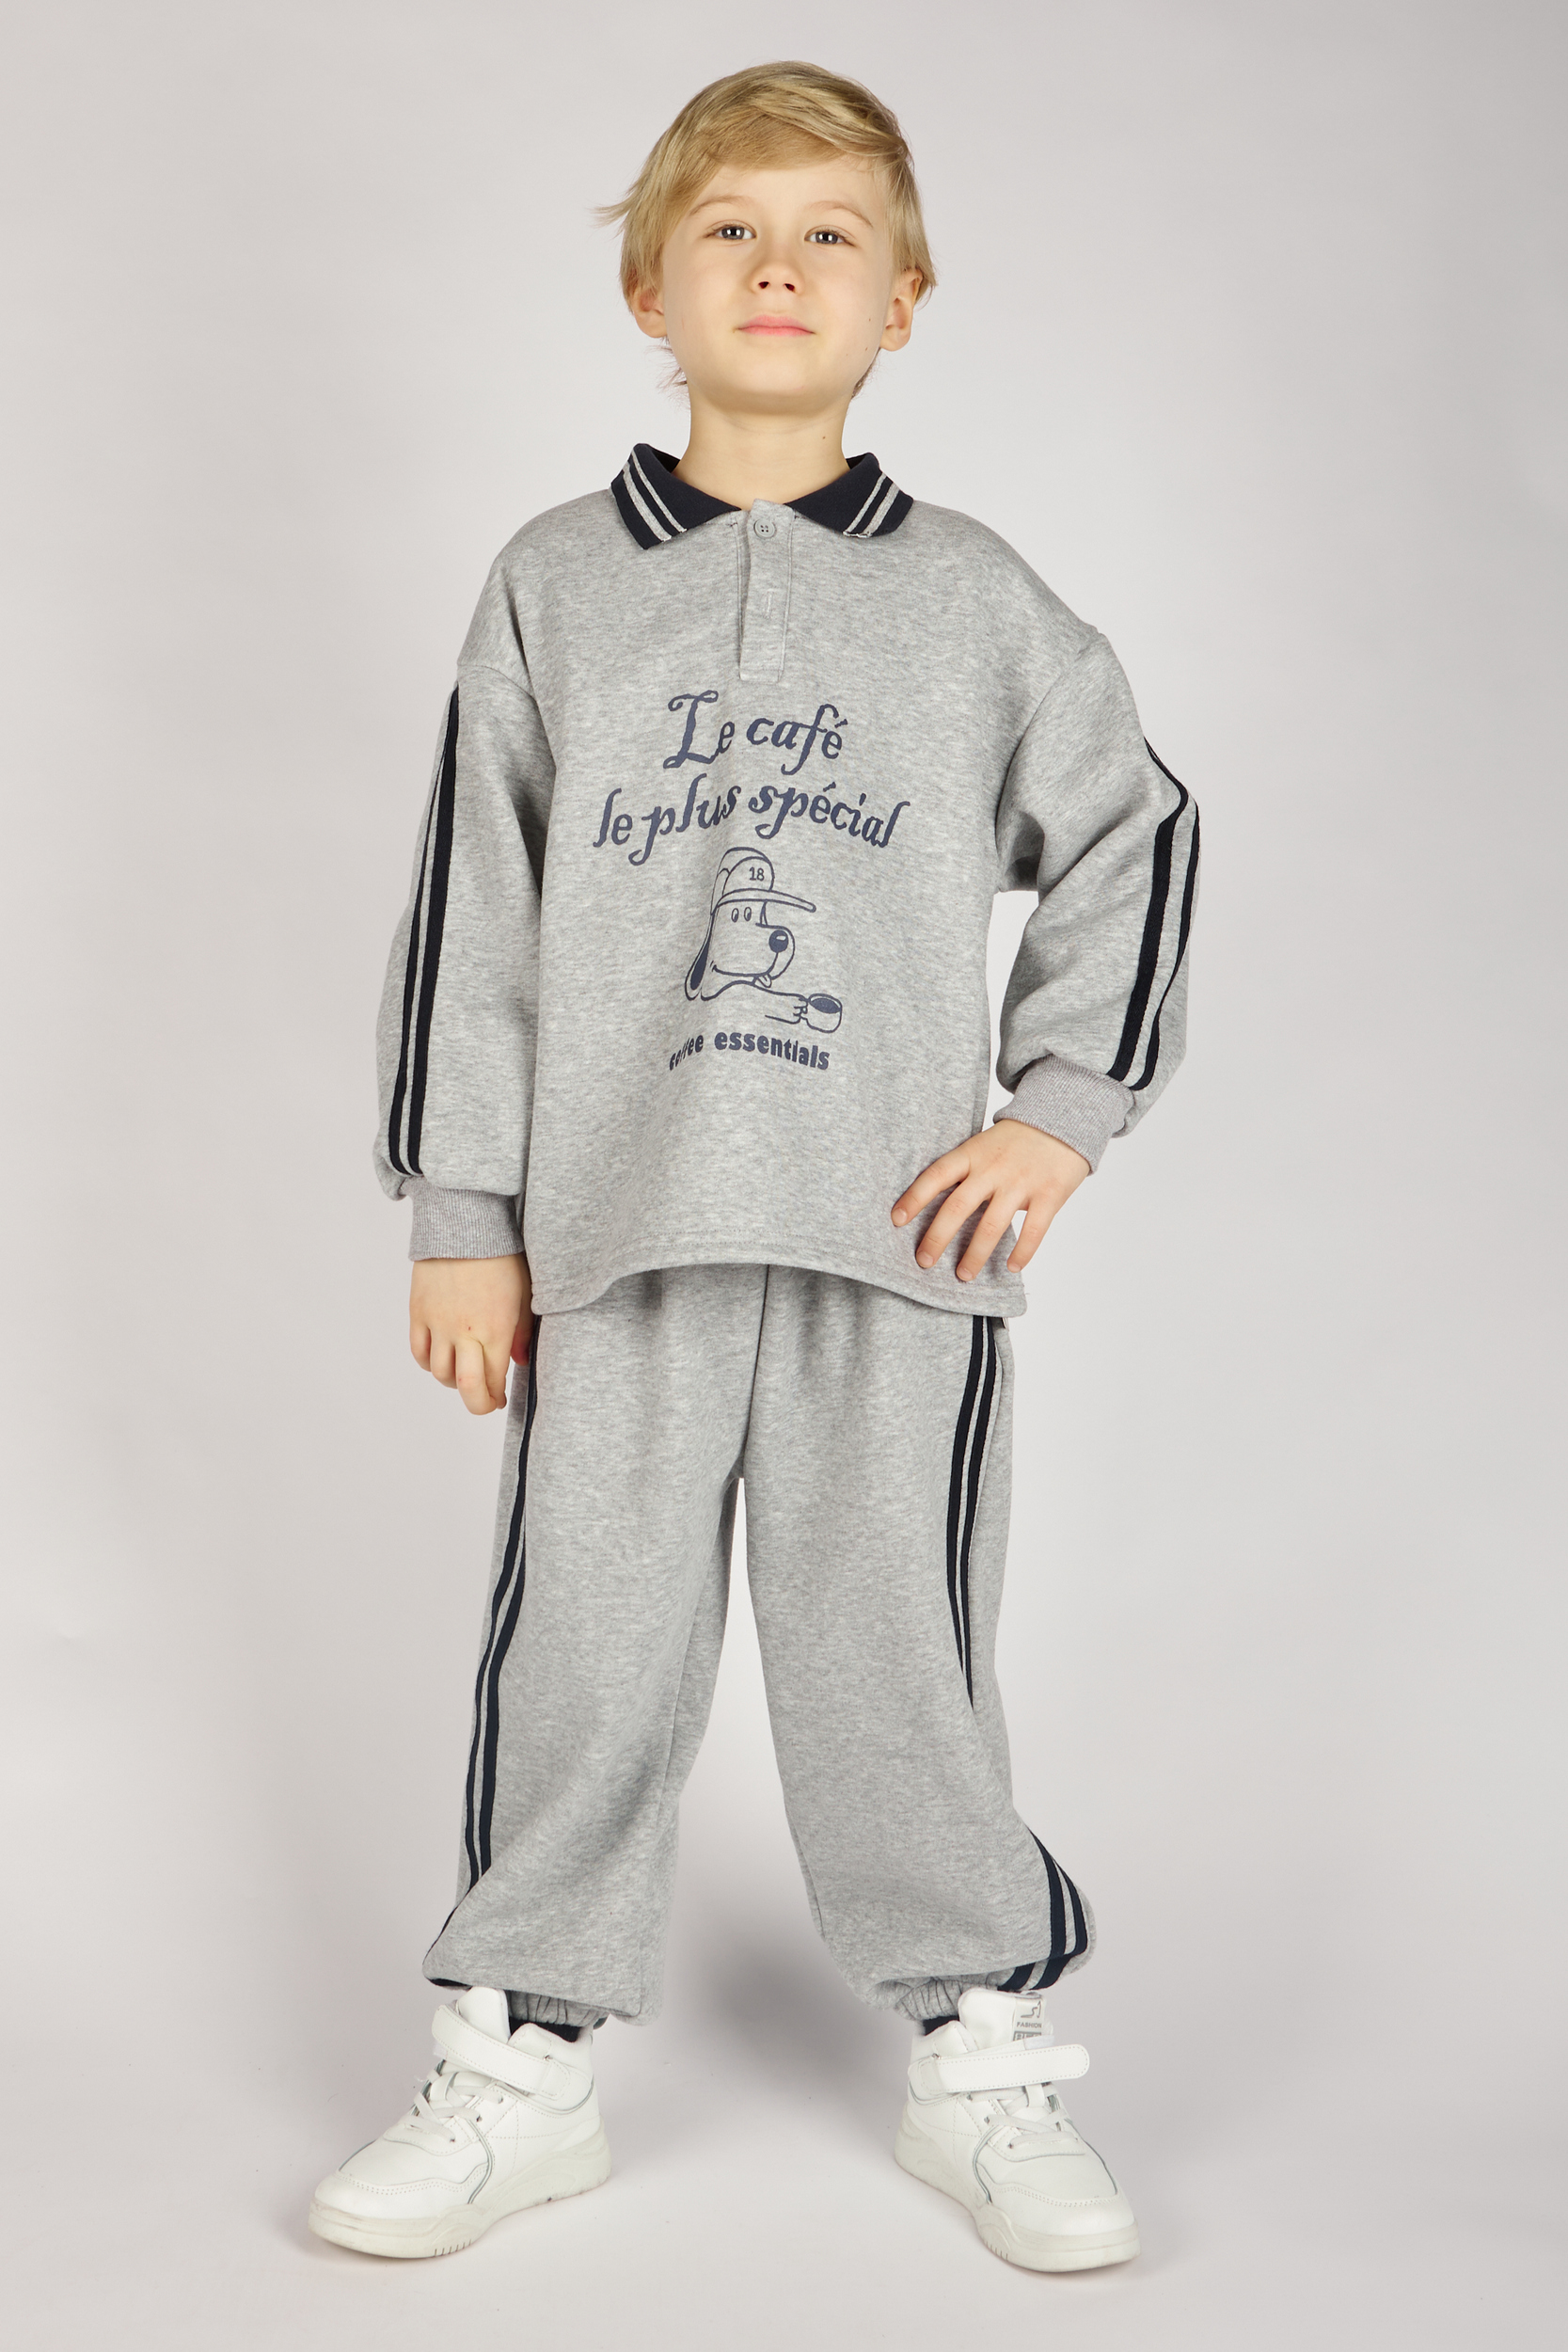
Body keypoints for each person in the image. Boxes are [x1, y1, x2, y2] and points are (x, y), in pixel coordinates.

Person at [309, 59, 1198, 2274]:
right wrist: (464, 1215)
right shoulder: (553, 585)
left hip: (893, 1237)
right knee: (585, 1651)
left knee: (898, 1654)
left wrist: (1057, 1108)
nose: (779, 265)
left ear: (904, 300)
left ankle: (978, 2049)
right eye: (730, 229)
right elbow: (476, 919)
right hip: (613, 1237)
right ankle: (520, 2063)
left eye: (829, 234)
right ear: (650, 289)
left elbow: (1135, 827)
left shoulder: (975, 600)